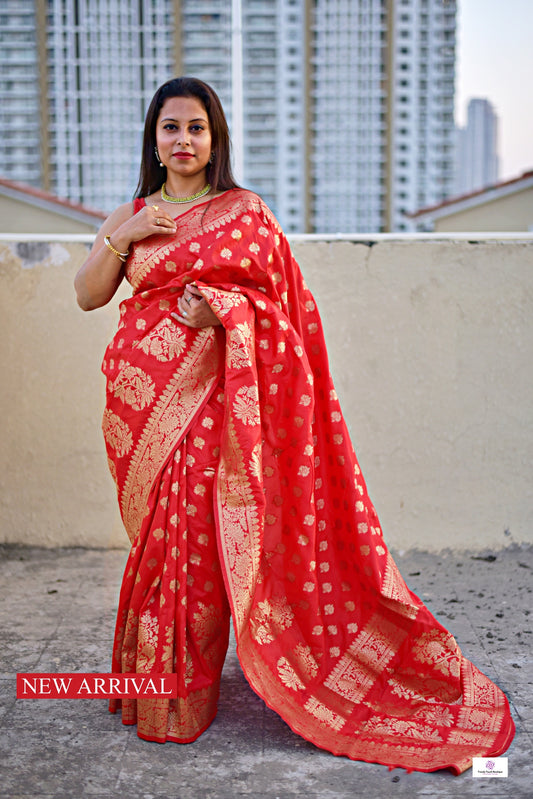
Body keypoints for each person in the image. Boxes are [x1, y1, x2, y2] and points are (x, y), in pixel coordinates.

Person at [75, 77, 514, 774]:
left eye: (196, 127)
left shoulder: (244, 212)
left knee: (192, 538)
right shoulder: (135, 215)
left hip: (215, 404)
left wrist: (223, 312)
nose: (182, 140)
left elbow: (285, 310)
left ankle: (183, 691)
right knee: (160, 543)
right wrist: (121, 233)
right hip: (142, 412)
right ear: (152, 139)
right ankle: (157, 683)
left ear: (214, 139)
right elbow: (88, 294)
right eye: (170, 127)